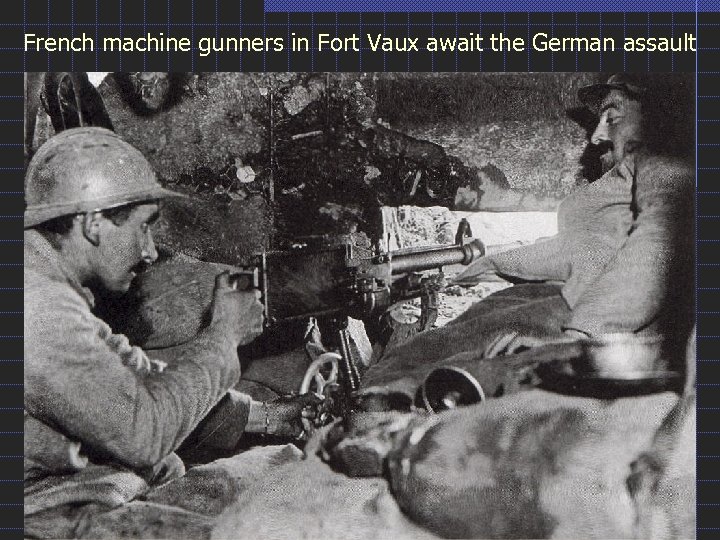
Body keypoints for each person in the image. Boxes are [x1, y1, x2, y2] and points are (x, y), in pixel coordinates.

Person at [24, 127, 319, 537]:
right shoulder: (36, 305)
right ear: (92, 224)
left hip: (77, 493)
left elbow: (138, 377)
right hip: (44, 513)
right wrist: (224, 335)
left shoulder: (46, 281)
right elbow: (141, 435)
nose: (150, 251)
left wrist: (264, 417)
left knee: (281, 474)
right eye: (143, 228)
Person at [360, 73, 694, 399]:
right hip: (572, 301)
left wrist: (579, 338)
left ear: (658, 114)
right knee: (431, 358)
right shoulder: (627, 181)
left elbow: (658, 242)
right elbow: (576, 251)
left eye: (612, 116)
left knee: (412, 365)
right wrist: (475, 269)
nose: (596, 135)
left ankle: (372, 422)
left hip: (581, 310)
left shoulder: (661, 158)